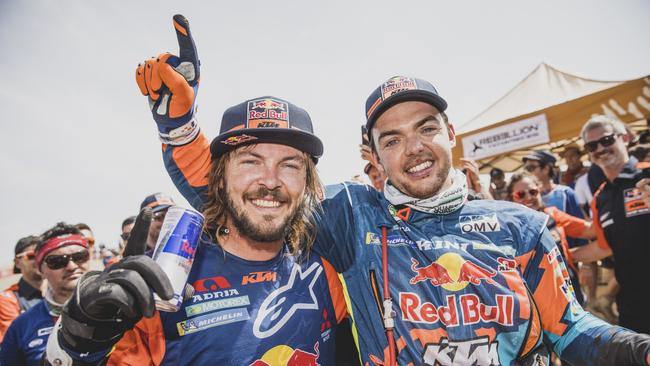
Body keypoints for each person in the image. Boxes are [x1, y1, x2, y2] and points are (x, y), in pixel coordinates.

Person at [125, 41, 650, 365]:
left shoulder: (523, 227)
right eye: (392, 138)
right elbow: (254, 201)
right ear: (372, 154)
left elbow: (574, 332)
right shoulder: (353, 215)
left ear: (451, 132)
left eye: (426, 129)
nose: (414, 149)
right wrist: (179, 128)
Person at [45, 15, 349, 366]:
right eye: (250, 161)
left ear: (308, 182)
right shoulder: (163, 288)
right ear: (218, 177)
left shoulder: (325, 268)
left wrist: (178, 128)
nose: (270, 179)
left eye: (291, 164)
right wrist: (79, 336)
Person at [571, 115, 650, 334]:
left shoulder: (647, 174)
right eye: (592, 145)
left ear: (625, 138)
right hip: (631, 306)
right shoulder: (600, 198)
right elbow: (604, 247)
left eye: (606, 140)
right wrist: (560, 254)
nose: (600, 149)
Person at [0, 223, 90, 365]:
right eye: (57, 261)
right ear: (40, 268)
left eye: (80, 256)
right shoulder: (21, 326)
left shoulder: (120, 311)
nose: (72, 266)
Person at [507, 172, 596, 306]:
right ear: (511, 198)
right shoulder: (507, 227)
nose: (529, 197)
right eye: (521, 194)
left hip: (569, 293)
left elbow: (591, 230)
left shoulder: (552, 215)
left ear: (539, 191)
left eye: (533, 191)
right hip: (535, 300)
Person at [0, 236, 43, 342]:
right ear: (17, 262)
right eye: (32, 256)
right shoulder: (7, 299)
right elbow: (16, 342)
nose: (38, 259)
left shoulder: (60, 291)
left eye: (42, 254)